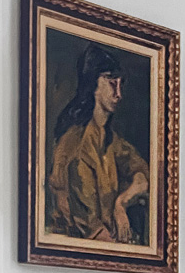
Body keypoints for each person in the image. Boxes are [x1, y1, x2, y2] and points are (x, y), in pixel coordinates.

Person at [48, 43, 149, 244]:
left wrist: (121, 203)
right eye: (111, 83)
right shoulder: (77, 147)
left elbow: (144, 176)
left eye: (121, 84)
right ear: (93, 83)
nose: (119, 94)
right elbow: (94, 232)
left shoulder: (110, 138)